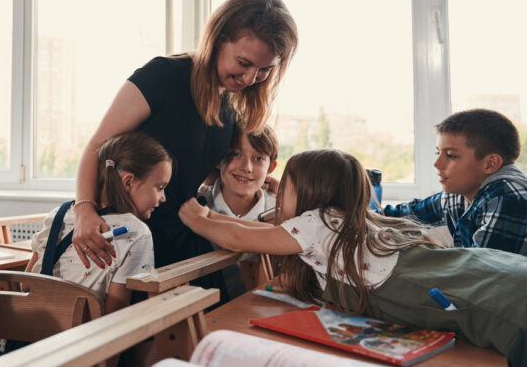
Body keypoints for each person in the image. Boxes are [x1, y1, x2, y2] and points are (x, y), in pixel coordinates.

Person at [178, 148, 527, 365]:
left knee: (498, 314)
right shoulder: (341, 220)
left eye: (286, 185)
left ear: (311, 192)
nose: (278, 191)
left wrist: (197, 219)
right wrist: (212, 216)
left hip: (434, 283)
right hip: (471, 268)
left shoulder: (315, 224)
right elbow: (253, 229)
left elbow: (241, 237)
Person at [72, 0, 299, 277]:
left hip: (183, 230)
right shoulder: (163, 76)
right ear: (217, 41)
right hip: (130, 235)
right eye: (244, 63)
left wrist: (260, 181)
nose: (251, 78)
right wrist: (84, 210)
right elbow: (98, 145)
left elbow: (196, 167)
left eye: (264, 69)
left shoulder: (229, 104)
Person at [27, 131, 171, 315]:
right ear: (128, 182)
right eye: (160, 187)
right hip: (84, 332)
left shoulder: (57, 215)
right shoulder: (136, 233)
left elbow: (26, 283)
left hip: (34, 327)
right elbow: (114, 315)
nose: (164, 198)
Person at [380, 109, 527, 255]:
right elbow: (409, 213)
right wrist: (368, 215)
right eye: (438, 153)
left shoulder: (507, 198)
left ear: (490, 164)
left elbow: (483, 265)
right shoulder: (459, 194)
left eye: (450, 155)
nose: (437, 164)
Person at [198, 125, 278, 222]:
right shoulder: (195, 204)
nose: (247, 167)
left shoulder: (279, 213)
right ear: (218, 159)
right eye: (236, 154)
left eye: (258, 158)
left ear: (271, 167)